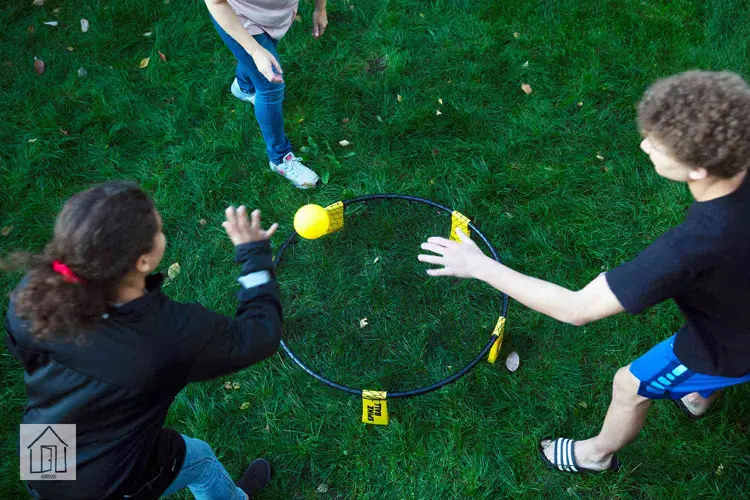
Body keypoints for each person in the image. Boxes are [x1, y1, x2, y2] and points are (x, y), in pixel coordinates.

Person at [418, 71, 750, 473]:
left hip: (729, 346)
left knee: (628, 386)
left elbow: (577, 309)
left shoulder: (691, 248)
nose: (645, 145)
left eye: (658, 144)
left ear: (698, 169)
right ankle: (699, 397)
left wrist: (478, 265)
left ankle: (595, 455)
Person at [5, 182, 282, 498]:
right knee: (200, 458)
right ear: (142, 262)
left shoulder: (34, 290)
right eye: (159, 230)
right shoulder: (167, 335)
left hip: (44, 448)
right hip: (105, 483)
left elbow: (24, 351)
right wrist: (254, 255)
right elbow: (258, 336)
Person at [204, 0, 329, 190]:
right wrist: (254, 50)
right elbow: (216, 2)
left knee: (263, 56)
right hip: (240, 18)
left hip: (277, 13)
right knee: (271, 87)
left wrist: (321, 8)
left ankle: (244, 86)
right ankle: (279, 158)